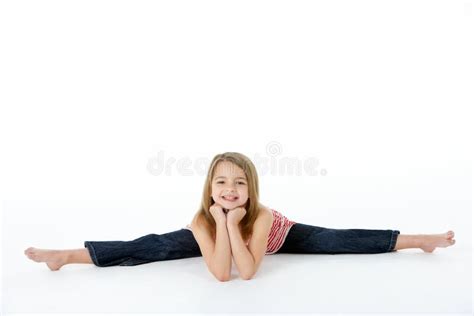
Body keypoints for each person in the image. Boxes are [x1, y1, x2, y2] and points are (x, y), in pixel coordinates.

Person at [24, 152, 456, 281]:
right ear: (209, 189)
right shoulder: (199, 221)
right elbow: (221, 274)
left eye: (239, 184)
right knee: (151, 246)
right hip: (214, 230)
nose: (230, 191)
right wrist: (219, 225)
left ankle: (417, 240)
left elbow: (246, 272)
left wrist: (233, 223)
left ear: (251, 189)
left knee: (334, 239)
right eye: (221, 183)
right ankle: (67, 255)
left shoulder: (264, 216)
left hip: (277, 238)